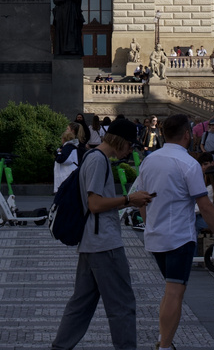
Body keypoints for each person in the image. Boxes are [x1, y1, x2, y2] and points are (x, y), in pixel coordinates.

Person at [49, 118, 152, 350]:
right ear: (120, 141)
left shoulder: (93, 157)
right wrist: (129, 199)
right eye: (130, 145)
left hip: (91, 243)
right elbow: (94, 204)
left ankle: (60, 347)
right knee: (123, 305)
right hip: (104, 243)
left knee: (81, 305)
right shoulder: (98, 160)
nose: (130, 151)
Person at [131, 115, 214, 350]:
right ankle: (165, 345)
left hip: (155, 236)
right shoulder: (188, 163)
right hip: (179, 237)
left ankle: (165, 342)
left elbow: (141, 199)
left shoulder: (149, 161)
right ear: (186, 134)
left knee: (170, 289)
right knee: (175, 292)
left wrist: (149, 222)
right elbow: (204, 205)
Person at [54, 122, 87, 192]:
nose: (66, 130)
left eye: (67, 129)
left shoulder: (69, 147)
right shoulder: (78, 145)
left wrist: (58, 153)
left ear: (72, 131)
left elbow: (61, 159)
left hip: (67, 175)